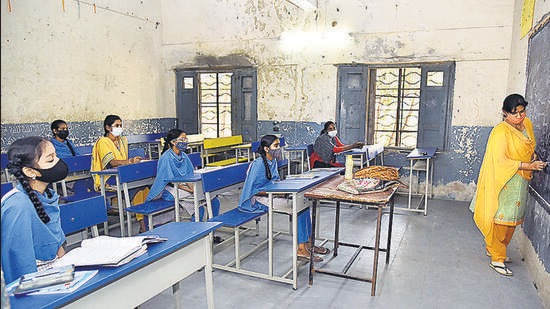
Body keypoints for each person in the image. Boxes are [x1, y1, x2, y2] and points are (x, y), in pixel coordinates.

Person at [470, 94, 547, 276]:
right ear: (505, 113)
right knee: (501, 220)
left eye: (522, 112)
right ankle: (497, 258)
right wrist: (529, 165)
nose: (519, 117)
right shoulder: (500, 132)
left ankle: (497, 249)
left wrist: (532, 157)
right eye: (515, 113)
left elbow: (529, 147)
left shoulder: (527, 125)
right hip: (504, 181)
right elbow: (500, 160)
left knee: (513, 220)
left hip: (521, 181)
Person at [238, 134, 330, 262]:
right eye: (276, 146)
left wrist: (281, 190)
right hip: (258, 199)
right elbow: (253, 190)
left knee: (304, 206)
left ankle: (308, 243)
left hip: (272, 194)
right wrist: (276, 192)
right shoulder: (258, 165)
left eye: (279, 145)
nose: (279, 148)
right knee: (299, 209)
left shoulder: (272, 161)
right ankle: (301, 249)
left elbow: (275, 181)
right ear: (266, 149)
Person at [1, 136, 69, 283]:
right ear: (30, 171)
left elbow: (57, 245)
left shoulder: (48, 194)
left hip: (54, 267)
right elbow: (19, 265)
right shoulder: (17, 206)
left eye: (56, 156)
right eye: (50, 160)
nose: (58, 162)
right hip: (32, 278)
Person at [144, 129, 222, 242]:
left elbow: (190, 174)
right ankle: (194, 239)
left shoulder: (183, 156)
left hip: (184, 187)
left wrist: (192, 188)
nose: (185, 142)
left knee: (214, 202)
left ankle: (211, 233)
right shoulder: (166, 157)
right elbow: (168, 180)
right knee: (199, 209)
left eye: (186, 139)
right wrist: (190, 190)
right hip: (169, 189)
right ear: (173, 142)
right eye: (182, 139)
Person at [91, 115, 145, 231]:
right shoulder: (103, 142)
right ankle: (143, 226)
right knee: (138, 191)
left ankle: (146, 220)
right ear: (107, 127)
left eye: (121, 125)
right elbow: (111, 162)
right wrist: (129, 161)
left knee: (146, 188)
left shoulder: (123, 140)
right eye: (117, 125)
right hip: (108, 177)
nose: (119, 128)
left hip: (123, 173)